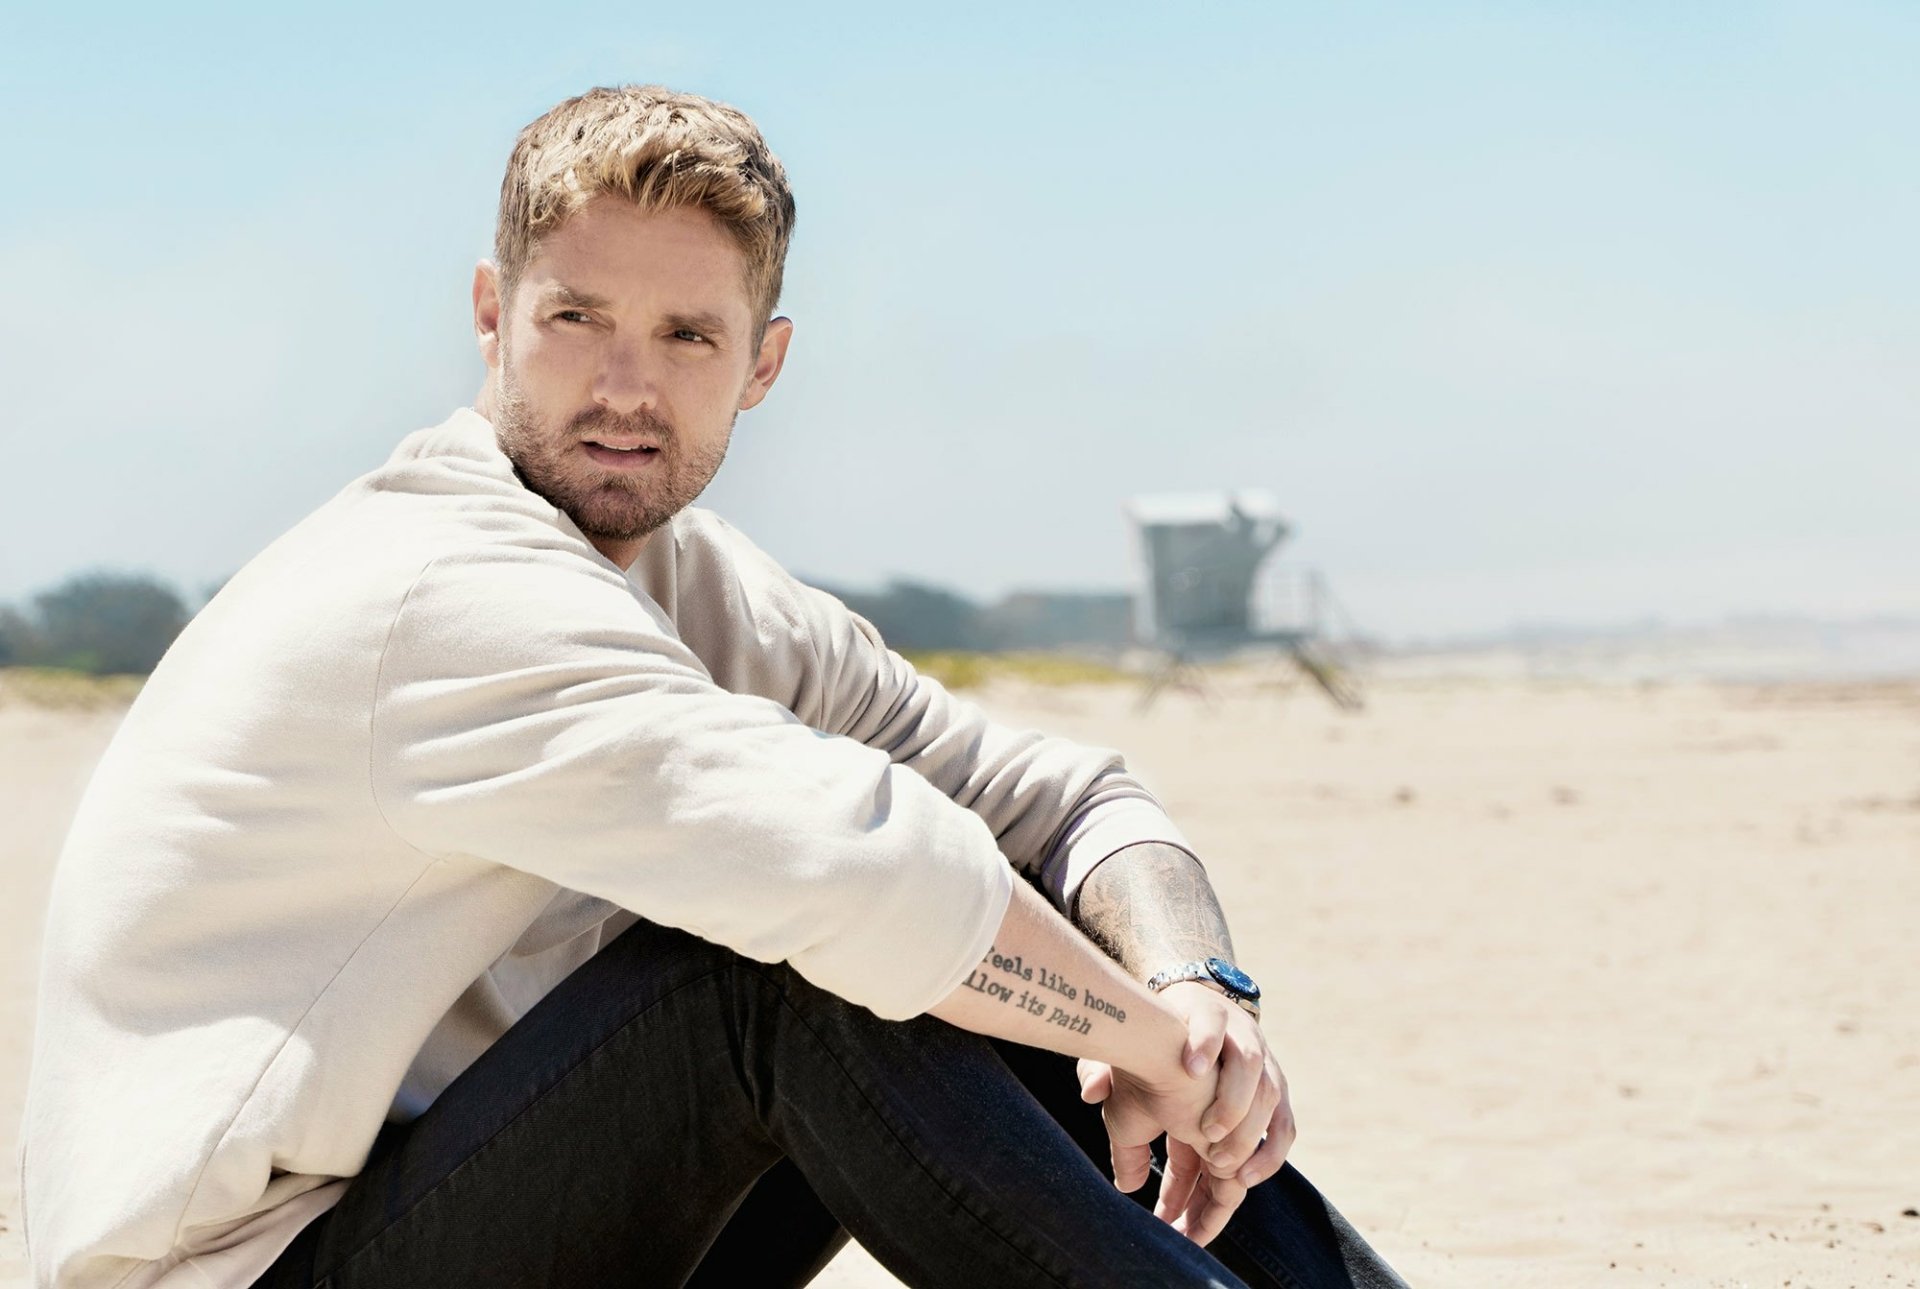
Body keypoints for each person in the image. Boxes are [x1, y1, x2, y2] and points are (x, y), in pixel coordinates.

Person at [20, 86, 1408, 1289]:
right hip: (258, 1266)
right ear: (493, 317)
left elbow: (1061, 798)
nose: (626, 386)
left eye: (687, 335)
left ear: (764, 364)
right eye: (576, 318)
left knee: (973, 966)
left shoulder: (706, 591)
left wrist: (1196, 991)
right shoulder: (435, 585)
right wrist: (1149, 1039)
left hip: (499, 1215)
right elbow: (857, 872)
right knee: (796, 977)